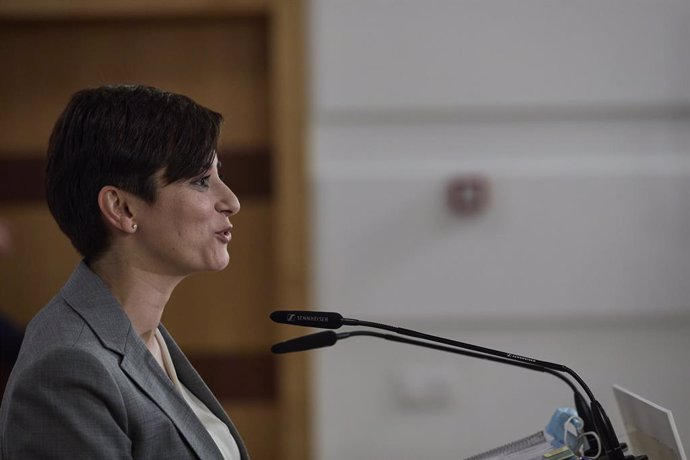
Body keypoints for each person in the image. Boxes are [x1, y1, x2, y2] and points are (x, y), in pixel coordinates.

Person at [0, 85, 248, 459]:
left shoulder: (142, 335)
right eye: (200, 180)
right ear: (122, 209)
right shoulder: (67, 369)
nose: (231, 201)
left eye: (218, 174)